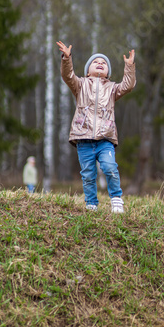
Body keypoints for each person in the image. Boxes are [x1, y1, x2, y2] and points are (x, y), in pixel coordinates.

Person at [56, 41, 136, 213]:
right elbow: (67, 75)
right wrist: (67, 58)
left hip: (105, 138)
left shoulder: (113, 89)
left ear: (108, 72)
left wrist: (129, 67)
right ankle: (91, 203)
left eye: (104, 63)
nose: (100, 64)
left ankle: (116, 199)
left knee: (110, 167)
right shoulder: (80, 85)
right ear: (87, 70)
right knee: (88, 175)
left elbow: (128, 86)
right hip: (83, 138)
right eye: (96, 62)